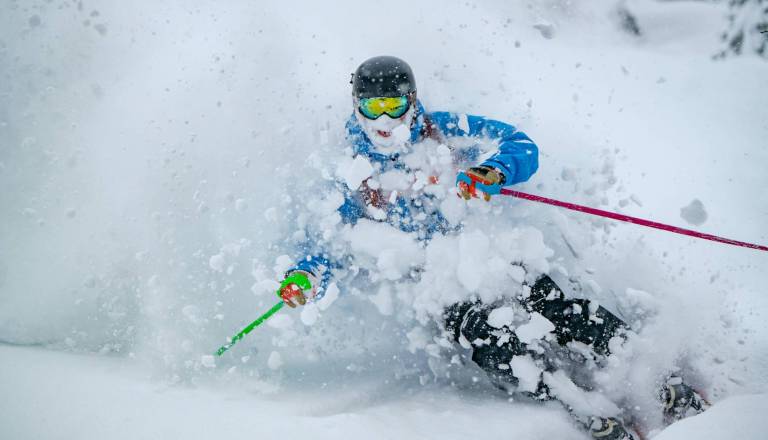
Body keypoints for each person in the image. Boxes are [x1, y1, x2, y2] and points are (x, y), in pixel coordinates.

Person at [273, 56, 708, 440]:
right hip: (438, 286)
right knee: (487, 340)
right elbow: (326, 241)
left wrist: (492, 172)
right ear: (356, 106)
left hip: (489, 257)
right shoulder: (349, 168)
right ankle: (570, 401)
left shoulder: (444, 129)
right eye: (373, 107)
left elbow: (520, 144)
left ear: (412, 99)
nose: (384, 121)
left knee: (556, 306)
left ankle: (654, 375)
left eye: (394, 105)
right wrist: (306, 275)